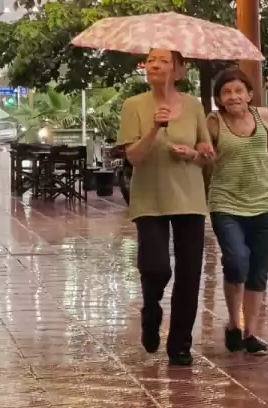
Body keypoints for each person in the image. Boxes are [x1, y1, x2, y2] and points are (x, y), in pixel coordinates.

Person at [116, 48, 215, 367]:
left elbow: (205, 154)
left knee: (189, 273)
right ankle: (151, 308)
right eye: (151, 60)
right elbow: (133, 157)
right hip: (150, 198)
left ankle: (180, 344)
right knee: (156, 267)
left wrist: (195, 153)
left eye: (163, 61)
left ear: (180, 71)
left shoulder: (194, 105)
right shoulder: (134, 106)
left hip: (189, 196)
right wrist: (155, 129)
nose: (155, 65)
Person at [207, 67, 268, 356]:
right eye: (226, 92)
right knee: (237, 261)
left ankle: (248, 333)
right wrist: (201, 155)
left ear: (250, 93)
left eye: (239, 90)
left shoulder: (263, 117)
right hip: (226, 204)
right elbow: (203, 157)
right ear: (219, 99)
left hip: (264, 204)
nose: (233, 96)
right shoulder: (213, 122)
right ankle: (233, 323)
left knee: (258, 271)